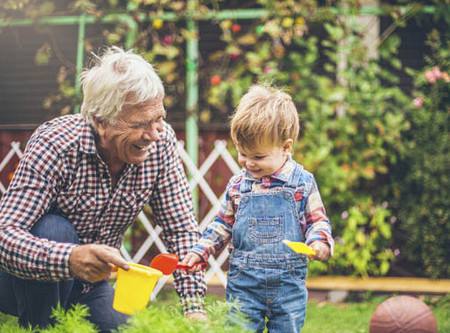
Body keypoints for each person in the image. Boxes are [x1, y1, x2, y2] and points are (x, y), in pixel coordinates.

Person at [0, 46, 206, 332]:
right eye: (140, 124)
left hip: (90, 286)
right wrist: (69, 259)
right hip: (22, 280)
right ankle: (39, 325)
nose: (155, 133)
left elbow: (181, 229)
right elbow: (4, 236)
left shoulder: (161, 144)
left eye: (159, 117)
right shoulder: (56, 144)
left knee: (122, 327)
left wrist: (194, 308)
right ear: (100, 121)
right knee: (55, 228)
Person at [182, 85, 334, 333]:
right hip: (244, 284)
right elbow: (222, 224)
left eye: (258, 157)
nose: (248, 163)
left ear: (286, 147)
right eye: (242, 154)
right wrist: (202, 250)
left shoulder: (302, 183)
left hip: (288, 286)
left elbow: (317, 220)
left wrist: (319, 243)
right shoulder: (238, 186)